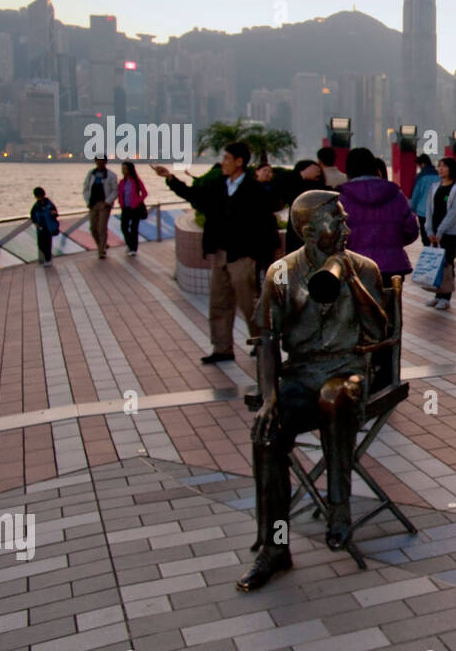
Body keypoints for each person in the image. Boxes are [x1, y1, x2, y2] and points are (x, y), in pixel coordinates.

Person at [241, 190, 390, 591]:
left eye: (344, 219)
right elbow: (267, 339)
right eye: (336, 221)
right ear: (308, 231)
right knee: (267, 435)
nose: (346, 227)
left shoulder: (365, 267)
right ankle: (275, 548)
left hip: (348, 371)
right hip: (302, 373)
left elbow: (379, 332)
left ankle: (338, 507)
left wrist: (351, 277)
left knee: (334, 397)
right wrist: (270, 397)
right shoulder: (281, 273)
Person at [152, 142, 279, 364]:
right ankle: (222, 348)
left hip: (243, 256)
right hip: (221, 253)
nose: (223, 162)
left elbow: (265, 224)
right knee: (219, 302)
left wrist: (262, 256)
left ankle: (261, 345)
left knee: (249, 303)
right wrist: (170, 178)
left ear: (239, 162)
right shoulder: (219, 186)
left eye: (227, 158)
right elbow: (195, 196)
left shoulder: (254, 190)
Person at [338, 147, 420, 287]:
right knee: (389, 306)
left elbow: (337, 235)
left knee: (359, 307)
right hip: (392, 267)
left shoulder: (342, 198)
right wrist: (392, 244)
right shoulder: (395, 195)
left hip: (355, 266)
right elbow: (411, 230)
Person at [424, 157, 456, 311]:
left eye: (444, 166)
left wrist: (440, 231)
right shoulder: (435, 186)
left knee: (447, 264)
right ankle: (437, 295)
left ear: (451, 169)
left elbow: (454, 212)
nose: (440, 169)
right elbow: (429, 209)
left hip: (448, 233)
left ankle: (446, 297)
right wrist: (429, 230)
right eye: (439, 166)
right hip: (433, 232)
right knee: (435, 263)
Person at [83, 155, 119, 259]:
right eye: (98, 161)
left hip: (104, 205)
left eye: (102, 161)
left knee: (102, 228)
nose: (100, 163)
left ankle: (101, 250)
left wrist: (108, 202)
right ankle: (102, 244)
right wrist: (87, 200)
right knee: (93, 228)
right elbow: (85, 188)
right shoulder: (91, 174)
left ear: (105, 162)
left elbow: (115, 190)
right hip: (93, 204)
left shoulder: (111, 175)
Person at [117, 161, 149, 257]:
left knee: (134, 229)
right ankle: (130, 245)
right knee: (124, 227)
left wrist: (137, 201)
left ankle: (133, 248)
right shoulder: (122, 182)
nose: (123, 171)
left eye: (125, 168)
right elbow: (120, 194)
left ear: (130, 169)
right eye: (122, 169)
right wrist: (120, 202)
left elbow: (144, 193)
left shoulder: (136, 181)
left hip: (135, 208)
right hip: (125, 208)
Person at [30, 187, 60, 267]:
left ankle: (48, 259)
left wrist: (54, 213)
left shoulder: (49, 203)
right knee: (40, 244)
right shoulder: (36, 206)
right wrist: (35, 223)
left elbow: (55, 213)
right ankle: (48, 258)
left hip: (48, 227)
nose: (38, 197)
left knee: (47, 243)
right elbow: (32, 215)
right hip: (41, 228)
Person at [410, 154, 439, 222]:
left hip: (423, 212)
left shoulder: (420, 177)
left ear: (422, 164)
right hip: (437, 211)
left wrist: (412, 209)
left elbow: (415, 195)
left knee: (424, 231)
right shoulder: (440, 175)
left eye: (419, 165)